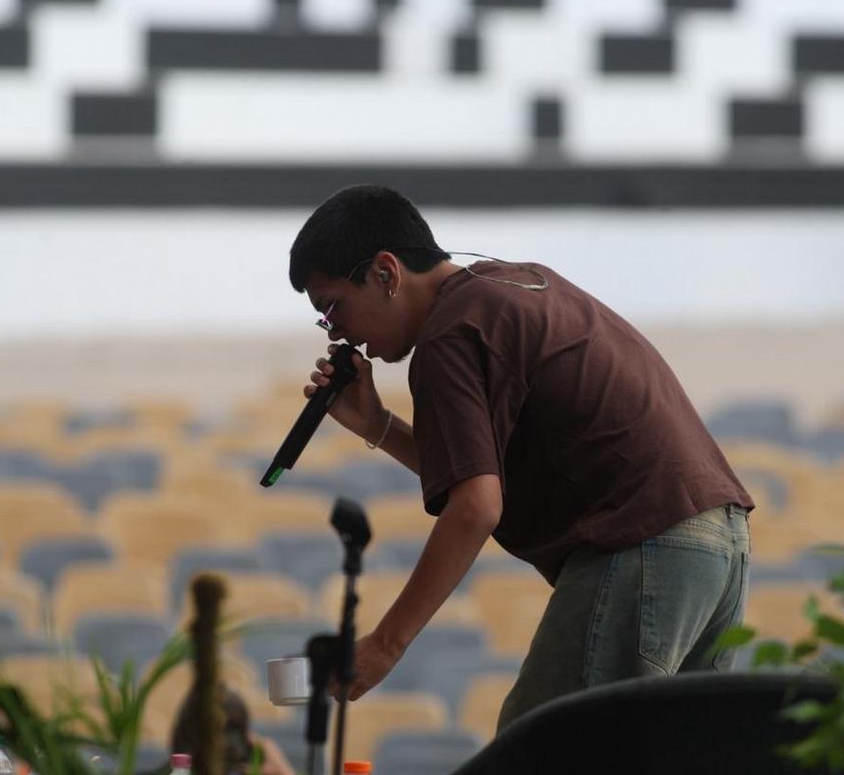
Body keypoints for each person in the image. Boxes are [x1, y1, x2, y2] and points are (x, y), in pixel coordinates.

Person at [288, 184, 754, 731]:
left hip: (646, 545)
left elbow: (476, 506)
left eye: (332, 307)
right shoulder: (516, 283)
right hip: (719, 547)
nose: (335, 330)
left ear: (386, 273)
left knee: (539, 750)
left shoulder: (447, 337)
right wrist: (377, 425)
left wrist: (387, 643)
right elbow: (482, 476)